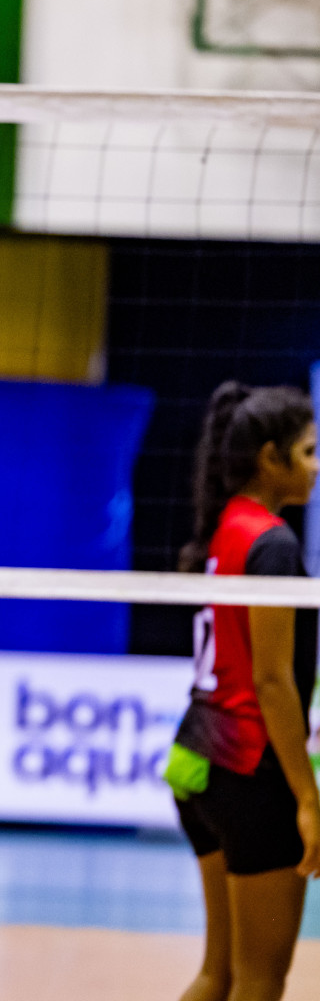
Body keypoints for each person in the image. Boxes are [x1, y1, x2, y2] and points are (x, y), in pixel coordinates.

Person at [169, 381, 319, 1001]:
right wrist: (307, 798)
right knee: (260, 982)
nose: (317, 466)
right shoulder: (274, 545)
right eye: (309, 451)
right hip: (250, 772)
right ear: (270, 458)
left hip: (197, 761)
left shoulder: (225, 526)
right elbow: (271, 679)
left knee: (220, 975)